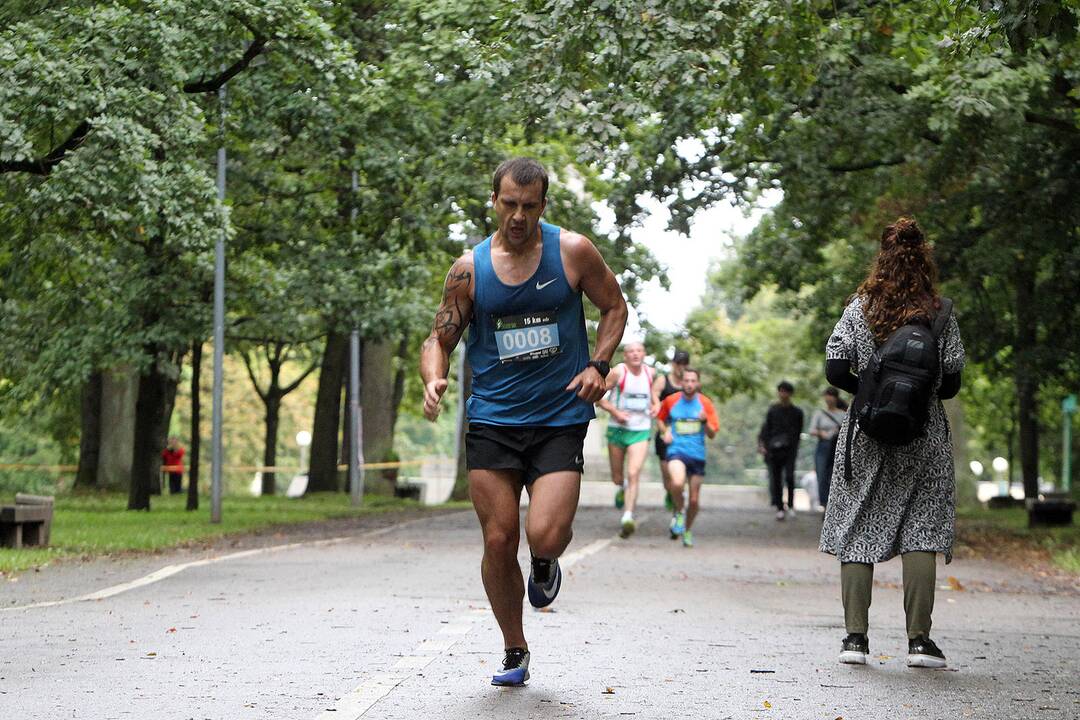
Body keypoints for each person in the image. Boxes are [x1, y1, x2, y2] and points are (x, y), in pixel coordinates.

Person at [419, 157, 627, 687]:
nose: (517, 216)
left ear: (543, 206)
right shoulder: (469, 269)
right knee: (496, 539)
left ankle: (545, 562)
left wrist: (598, 365)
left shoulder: (573, 252)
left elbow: (614, 308)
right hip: (493, 418)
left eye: (528, 207)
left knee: (546, 533)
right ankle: (514, 647)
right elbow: (438, 338)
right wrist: (433, 378)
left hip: (559, 415)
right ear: (494, 200)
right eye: (508, 204)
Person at [819, 217, 964, 669]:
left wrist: (874, 391)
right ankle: (919, 642)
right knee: (922, 531)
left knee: (858, 527)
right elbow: (951, 384)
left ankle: (855, 640)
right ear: (925, 260)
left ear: (881, 257)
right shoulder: (940, 312)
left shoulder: (861, 307)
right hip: (926, 437)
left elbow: (835, 368)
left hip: (866, 433)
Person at [597, 341, 654, 538]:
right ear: (625, 356)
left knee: (634, 472)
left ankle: (628, 516)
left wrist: (656, 406)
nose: (636, 354)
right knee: (618, 477)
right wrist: (615, 411)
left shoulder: (651, 373)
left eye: (639, 350)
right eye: (631, 351)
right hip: (618, 429)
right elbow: (598, 396)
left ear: (644, 353)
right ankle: (620, 488)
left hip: (641, 429)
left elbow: (656, 399)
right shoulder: (619, 372)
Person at [655, 368, 718, 548]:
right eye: (687, 381)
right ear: (681, 383)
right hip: (677, 450)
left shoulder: (705, 403)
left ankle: (687, 530)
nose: (689, 384)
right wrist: (665, 431)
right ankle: (680, 512)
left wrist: (705, 422)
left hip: (697, 455)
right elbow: (659, 418)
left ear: (698, 384)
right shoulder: (672, 400)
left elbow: (712, 434)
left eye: (693, 381)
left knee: (694, 500)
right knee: (676, 482)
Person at [651, 349, 690, 515]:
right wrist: (656, 405)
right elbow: (654, 396)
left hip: (684, 434)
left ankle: (678, 505)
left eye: (684, 364)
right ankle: (670, 491)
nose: (680, 367)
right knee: (667, 475)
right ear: (673, 364)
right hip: (664, 431)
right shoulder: (663, 380)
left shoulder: (689, 384)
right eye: (678, 363)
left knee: (679, 475)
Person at [758, 381, 804, 520]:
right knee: (776, 479)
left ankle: (790, 505)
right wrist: (763, 445)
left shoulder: (797, 412)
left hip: (790, 449)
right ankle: (779, 506)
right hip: (774, 449)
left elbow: (798, 432)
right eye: (781, 391)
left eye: (785, 391)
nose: (783, 394)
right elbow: (766, 429)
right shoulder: (773, 410)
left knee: (789, 477)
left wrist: (795, 448)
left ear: (790, 394)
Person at [808, 387, 846, 509]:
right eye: (827, 395)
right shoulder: (819, 413)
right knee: (822, 475)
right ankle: (824, 503)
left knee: (835, 475)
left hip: (837, 447)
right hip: (823, 446)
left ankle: (835, 503)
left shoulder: (843, 414)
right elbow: (812, 430)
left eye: (831, 395)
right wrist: (821, 433)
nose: (829, 398)